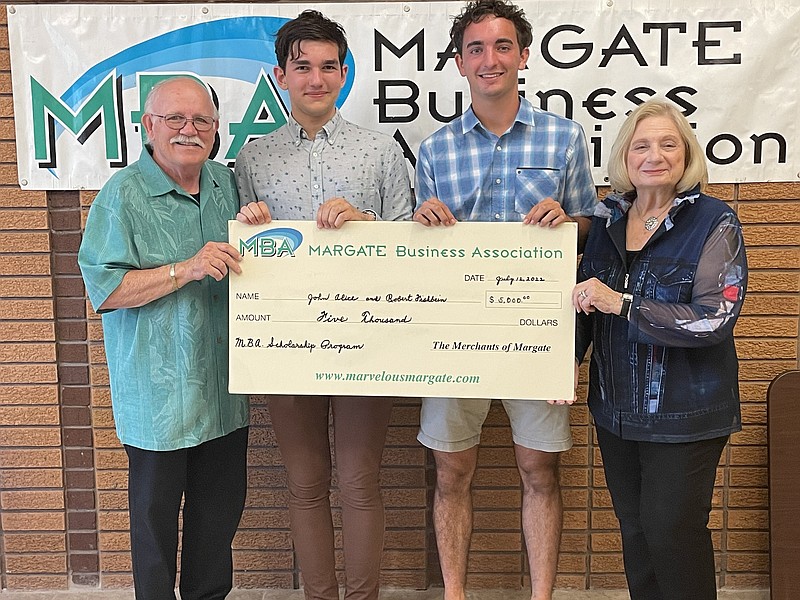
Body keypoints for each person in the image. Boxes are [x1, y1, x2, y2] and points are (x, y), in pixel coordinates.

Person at [412, 1, 596, 598]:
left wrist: (569, 220)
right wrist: (423, 218)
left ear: (522, 55)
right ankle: (455, 593)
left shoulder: (564, 137)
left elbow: (591, 223)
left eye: (501, 47)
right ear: (460, 62)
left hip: (534, 333)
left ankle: (541, 595)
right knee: (451, 470)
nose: (489, 60)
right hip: (453, 333)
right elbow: (418, 245)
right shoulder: (435, 150)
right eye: (475, 49)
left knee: (539, 469)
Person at [234, 10, 413, 600]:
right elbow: (243, 252)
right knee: (306, 481)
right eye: (303, 66)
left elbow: (409, 244)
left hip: (368, 337)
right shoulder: (253, 159)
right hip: (286, 342)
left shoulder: (381, 150)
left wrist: (365, 226)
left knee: (361, 480)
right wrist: (250, 222)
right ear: (281, 74)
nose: (317, 78)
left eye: (328, 67)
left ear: (343, 74)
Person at [78, 77, 248, 600]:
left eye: (201, 121)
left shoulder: (227, 184)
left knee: (217, 526)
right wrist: (185, 269)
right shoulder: (122, 195)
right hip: (158, 404)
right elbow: (104, 289)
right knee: (154, 536)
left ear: (217, 130)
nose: (188, 130)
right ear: (149, 126)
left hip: (224, 394)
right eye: (175, 119)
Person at [572, 99, 747, 600]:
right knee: (637, 532)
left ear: (686, 154)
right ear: (624, 157)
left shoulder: (714, 220)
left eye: (668, 144)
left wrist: (625, 305)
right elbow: (586, 305)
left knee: (674, 533)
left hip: (686, 414)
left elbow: (715, 318)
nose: (654, 155)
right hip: (615, 411)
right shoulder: (608, 218)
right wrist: (559, 368)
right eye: (641, 145)